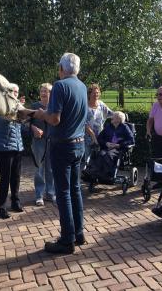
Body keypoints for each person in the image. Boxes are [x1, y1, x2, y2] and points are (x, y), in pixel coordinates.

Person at [33, 53, 87, 254]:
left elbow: (54, 119)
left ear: (62, 68)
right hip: (79, 145)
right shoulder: (82, 86)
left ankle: (66, 240)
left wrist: (40, 114)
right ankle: (78, 233)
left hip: (62, 145)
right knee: (75, 190)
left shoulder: (60, 86)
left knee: (63, 192)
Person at [0, 84, 25, 219]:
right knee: (5, 178)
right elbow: (3, 120)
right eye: (12, 92)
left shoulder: (17, 108)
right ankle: (1, 206)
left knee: (16, 177)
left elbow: (22, 123)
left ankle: (15, 202)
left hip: (17, 147)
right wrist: (20, 111)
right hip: (4, 148)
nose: (15, 94)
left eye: (17, 92)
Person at [84, 111, 134, 181]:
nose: (111, 118)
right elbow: (100, 138)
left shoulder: (125, 128)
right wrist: (106, 143)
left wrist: (119, 145)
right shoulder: (108, 127)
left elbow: (131, 140)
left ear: (119, 119)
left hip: (118, 150)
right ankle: (92, 172)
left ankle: (103, 174)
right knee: (100, 154)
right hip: (107, 148)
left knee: (107, 155)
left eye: (113, 117)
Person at [30, 83, 55, 206]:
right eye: (42, 91)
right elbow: (25, 123)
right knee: (39, 170)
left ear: (52, 93)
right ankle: (39, 195)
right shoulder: (34, 107)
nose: (44, 93)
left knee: (51, 169)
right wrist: (33, 128)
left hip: (53, 142)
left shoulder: (55, 107)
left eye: (47, 91)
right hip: (38, 142)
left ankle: (50, 193)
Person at [84, 83, 113, 162]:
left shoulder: (101, 104)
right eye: (94, 93)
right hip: (87, 137)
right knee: (88, 160)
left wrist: (121, 115)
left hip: (100, 136)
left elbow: (111, 114)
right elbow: (83, 123)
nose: (96, 95)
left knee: (100, 159)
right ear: (89, 94)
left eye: (98, 93)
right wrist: (92, 135)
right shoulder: (84, 106)